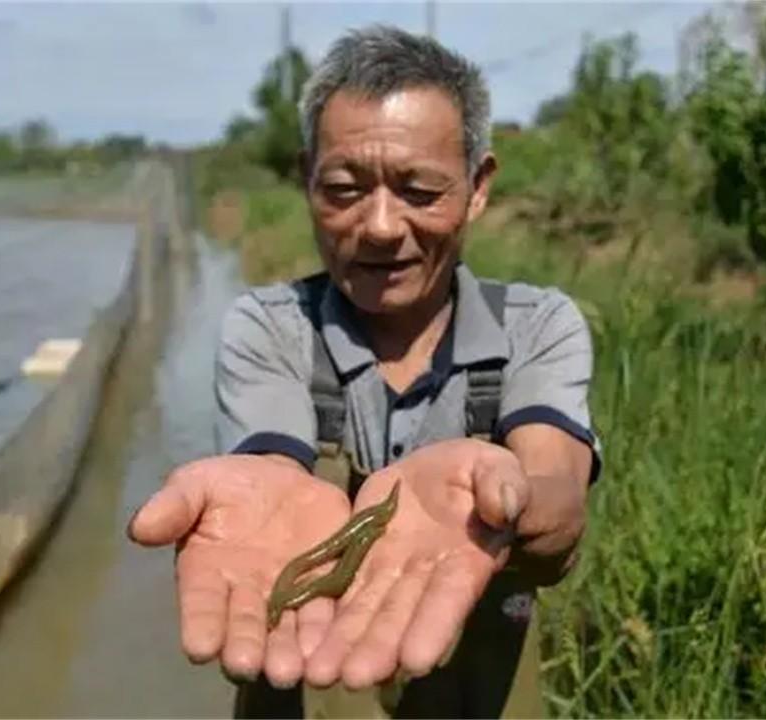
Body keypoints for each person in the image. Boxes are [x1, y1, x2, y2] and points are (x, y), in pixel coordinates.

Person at [128, 25, 600, 719]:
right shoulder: (269, 327)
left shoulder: (537, 327)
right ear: (306, 181)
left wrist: (513, 500)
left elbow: (558, 498)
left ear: (477, 187)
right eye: (344, 189)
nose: (380, 226)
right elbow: (271, 458)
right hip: (306, 667)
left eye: (419, 190)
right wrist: (262, 491)